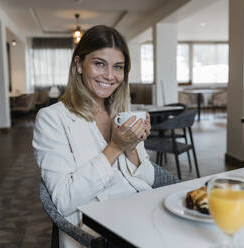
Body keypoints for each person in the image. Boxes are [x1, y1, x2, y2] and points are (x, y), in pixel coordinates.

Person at [32, 25, 154, 248]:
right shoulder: (51, 119)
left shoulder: (123, 113)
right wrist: (115, 147)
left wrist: (132, 147)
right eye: (99, 64)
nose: (109, 76)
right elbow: (64, 199)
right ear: (79, 65)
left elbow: (147, 181)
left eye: (118, 67)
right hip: (98, 231)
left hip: (142, 217)